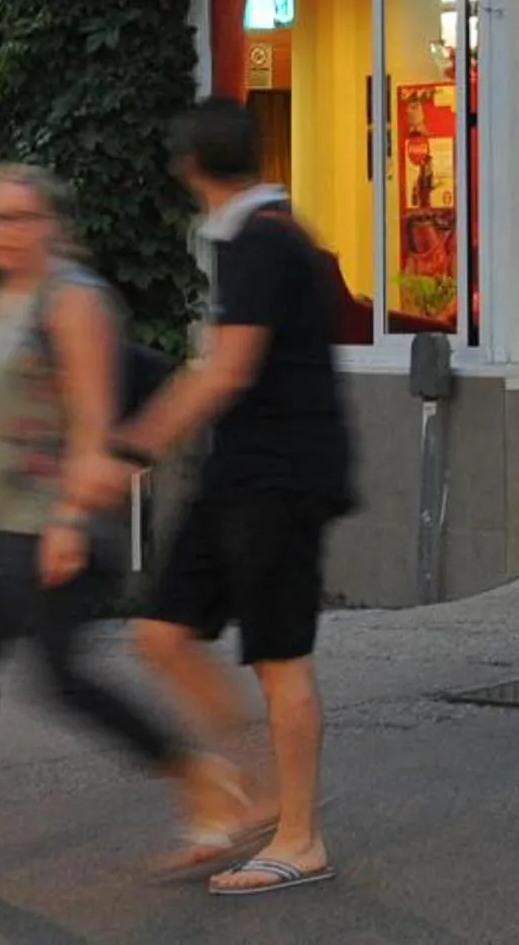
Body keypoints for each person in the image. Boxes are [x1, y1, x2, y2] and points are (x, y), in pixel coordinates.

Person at [0, 163, 238, 905]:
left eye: (16, 217)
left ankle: (195, 771)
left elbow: (97, 421)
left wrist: (70, 518)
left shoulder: (74, 301)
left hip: (48, 527)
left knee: (64, 680)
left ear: (49, 224)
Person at [119, 99, 358, 899]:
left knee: (280, 661)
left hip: (279, 480)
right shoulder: (251, 238)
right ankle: (255, 796)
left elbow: (227, 369)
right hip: (236, 477)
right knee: (160, 632)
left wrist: (133, 445)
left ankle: (301, 837)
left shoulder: (262, 241)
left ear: (189, 166)